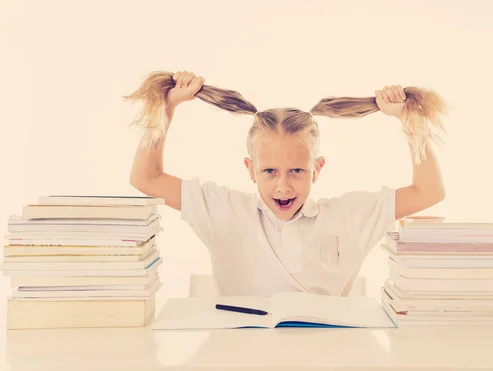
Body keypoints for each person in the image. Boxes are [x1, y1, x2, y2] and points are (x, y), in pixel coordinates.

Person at [123, 70, 447, 297]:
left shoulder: (350, 214)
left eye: (296, 171)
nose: (283, 187)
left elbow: (428, 192)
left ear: (317, 169)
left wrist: (410, 119)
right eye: (269, 172)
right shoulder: (221, 209)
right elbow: (146, 177)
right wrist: (166, 107)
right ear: (250, 170)